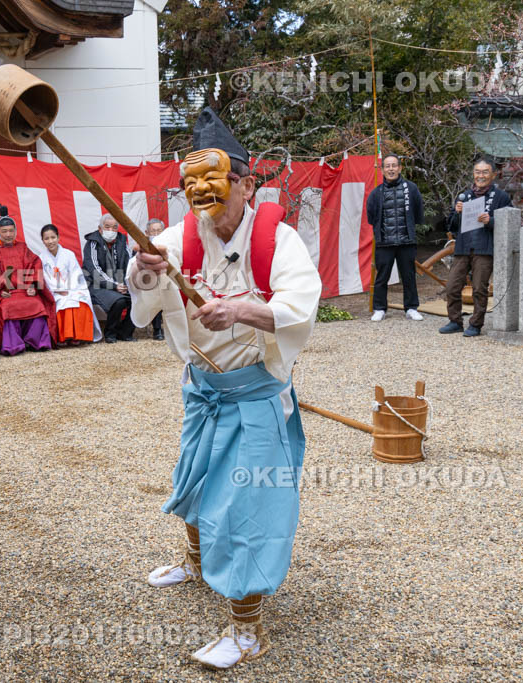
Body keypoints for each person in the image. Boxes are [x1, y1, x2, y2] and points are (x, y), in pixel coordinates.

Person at [127, 107, 321, 669]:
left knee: (249, 507)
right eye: (190, 185)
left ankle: (247, 627)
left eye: (215, 181)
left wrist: (241, 309)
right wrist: (143, 271)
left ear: (246, 182)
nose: (201, 194)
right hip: (203, 390)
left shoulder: (276, 239)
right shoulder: (173, 239)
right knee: (194, 479)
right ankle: (192, 559)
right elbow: (139, 312)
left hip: (256, 396)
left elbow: (300, 306)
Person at [441, 157, 512, 337]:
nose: (481, 176)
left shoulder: (501, 197)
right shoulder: (464, 196)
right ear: (473, 174)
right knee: (452, 286)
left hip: (484, 248)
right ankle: (455, 321)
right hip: (463, 247)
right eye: (477, 172)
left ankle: (476, 324)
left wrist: (491, 221)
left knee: (480, 288)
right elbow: (451, 226)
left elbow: (511, 222)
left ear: (493, 174)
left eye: (485, 172)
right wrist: (456, 213)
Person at [0, 217, 57, 355]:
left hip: (25, 291)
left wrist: (32, 285)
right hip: (5, 293)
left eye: (11, 231)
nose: (8, 234)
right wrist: (0, 290)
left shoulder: (23, 248)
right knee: (8, 307)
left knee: (36, 304)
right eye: (4, 231)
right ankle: (13, 346)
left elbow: (34, 264)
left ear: (15, 231)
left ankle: (37, 342)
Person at [365, 154, 425, 321]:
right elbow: (371, 217)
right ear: (383, 170)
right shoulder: (376, 193)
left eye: (394, 165)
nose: (391, 169)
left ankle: (411, 307)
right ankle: (379, 308)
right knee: (382, 276)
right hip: (385, 241)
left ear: (399, 168)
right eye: (387, 166)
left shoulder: (411, 188)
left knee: (409, 276)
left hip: (406, 240)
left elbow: (418, 212)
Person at [39, 224, 101, 345]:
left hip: (73, 288)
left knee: (79, 300)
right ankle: (64, 336)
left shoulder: (69, 254)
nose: (50, 241)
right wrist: (58, 290)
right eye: (47, 238)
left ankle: (78, 336)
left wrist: (68, 289)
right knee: (63, 302)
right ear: (42, 241)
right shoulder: (41, 258)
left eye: (53, 237)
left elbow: (76, 274)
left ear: (58, 237)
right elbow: (44, 278)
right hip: (54, 291)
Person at [83, 214, 135, 343]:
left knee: (137, 298)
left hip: (119, 283)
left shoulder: (122, 241)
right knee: (119, 301)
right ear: (100, 229)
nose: (111, 231)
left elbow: (129, 264)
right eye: (107, 227)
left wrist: (125, 284)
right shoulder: (92, 243)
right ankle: (110, 332)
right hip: (96, 284)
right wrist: (114, 285)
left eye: (114, 228)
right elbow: (94, 270)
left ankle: (125, 332)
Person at [144, 219, 167, 340]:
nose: (157, 234)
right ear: (147, 233)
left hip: (168, 279)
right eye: (153, 231)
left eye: (159, 231)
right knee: (156, 291)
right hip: (148, 282)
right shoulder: (141, 247)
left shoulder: (169, 245)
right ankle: (157, 329)